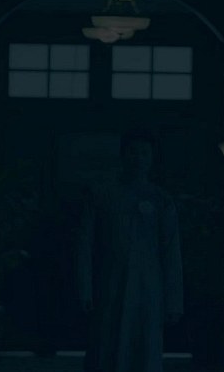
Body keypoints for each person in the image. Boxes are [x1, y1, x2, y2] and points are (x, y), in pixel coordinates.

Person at [77, 129, 183, 372]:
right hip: (108, 283)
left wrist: (174, 301)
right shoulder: (100, 195)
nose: (138, 158)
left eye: (144, 153)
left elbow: (171, 252)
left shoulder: (161, 199)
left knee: (144, 347)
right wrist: (85, 288)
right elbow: (85, 245)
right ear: (123, 156)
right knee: (106, 345)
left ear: (152, 158)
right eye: (133, 152)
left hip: (149, 288)